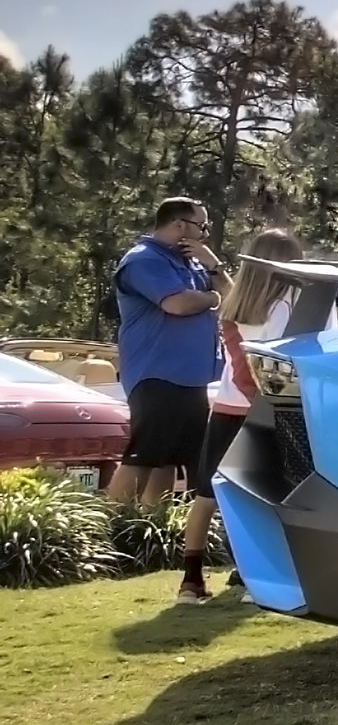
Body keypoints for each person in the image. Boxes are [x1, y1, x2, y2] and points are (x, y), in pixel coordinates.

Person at [177, 227, 303, 605]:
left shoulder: (234, 305)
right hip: (267, 408)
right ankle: (258, 580)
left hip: (227, 408)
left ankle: (191, 582)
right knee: (267, 496)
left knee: (206, 495)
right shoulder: (291, 302)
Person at [104, 198, 230, 508]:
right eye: (201, 226)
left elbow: (234, 297)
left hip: (191, 377)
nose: (203, 234)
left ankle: (150, 528)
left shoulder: (193, 261)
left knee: (169, 460)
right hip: (156, 374)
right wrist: (212, 297)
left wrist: (214, 265)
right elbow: (177, 304)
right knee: (144, 455)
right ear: (178, 225)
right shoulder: (143, 260)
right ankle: (113, 529)